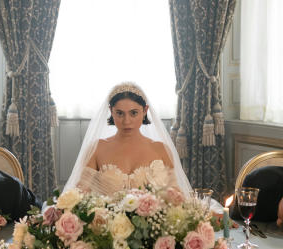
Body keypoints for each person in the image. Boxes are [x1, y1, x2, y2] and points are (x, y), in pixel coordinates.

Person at [64, 81, 192, 196]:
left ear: (145, 110)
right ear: (111, 111)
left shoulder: (161, 149)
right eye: (119, 113)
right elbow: (80, 196)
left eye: (133, 113)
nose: (126, 121)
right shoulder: (97, 149)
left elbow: (176, 198)